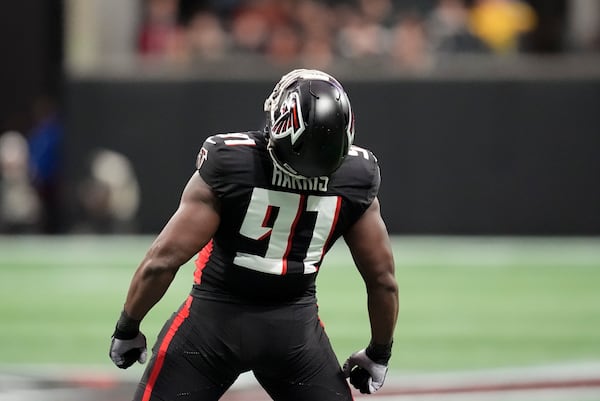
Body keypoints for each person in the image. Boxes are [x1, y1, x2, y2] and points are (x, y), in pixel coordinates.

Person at [109, 69, 399, 400]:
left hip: (212, 324)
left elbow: (161, 262)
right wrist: (379, 352)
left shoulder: (232, 159)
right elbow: (382, 280)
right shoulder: (357, 174)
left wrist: (128, 328)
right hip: (296, 334)